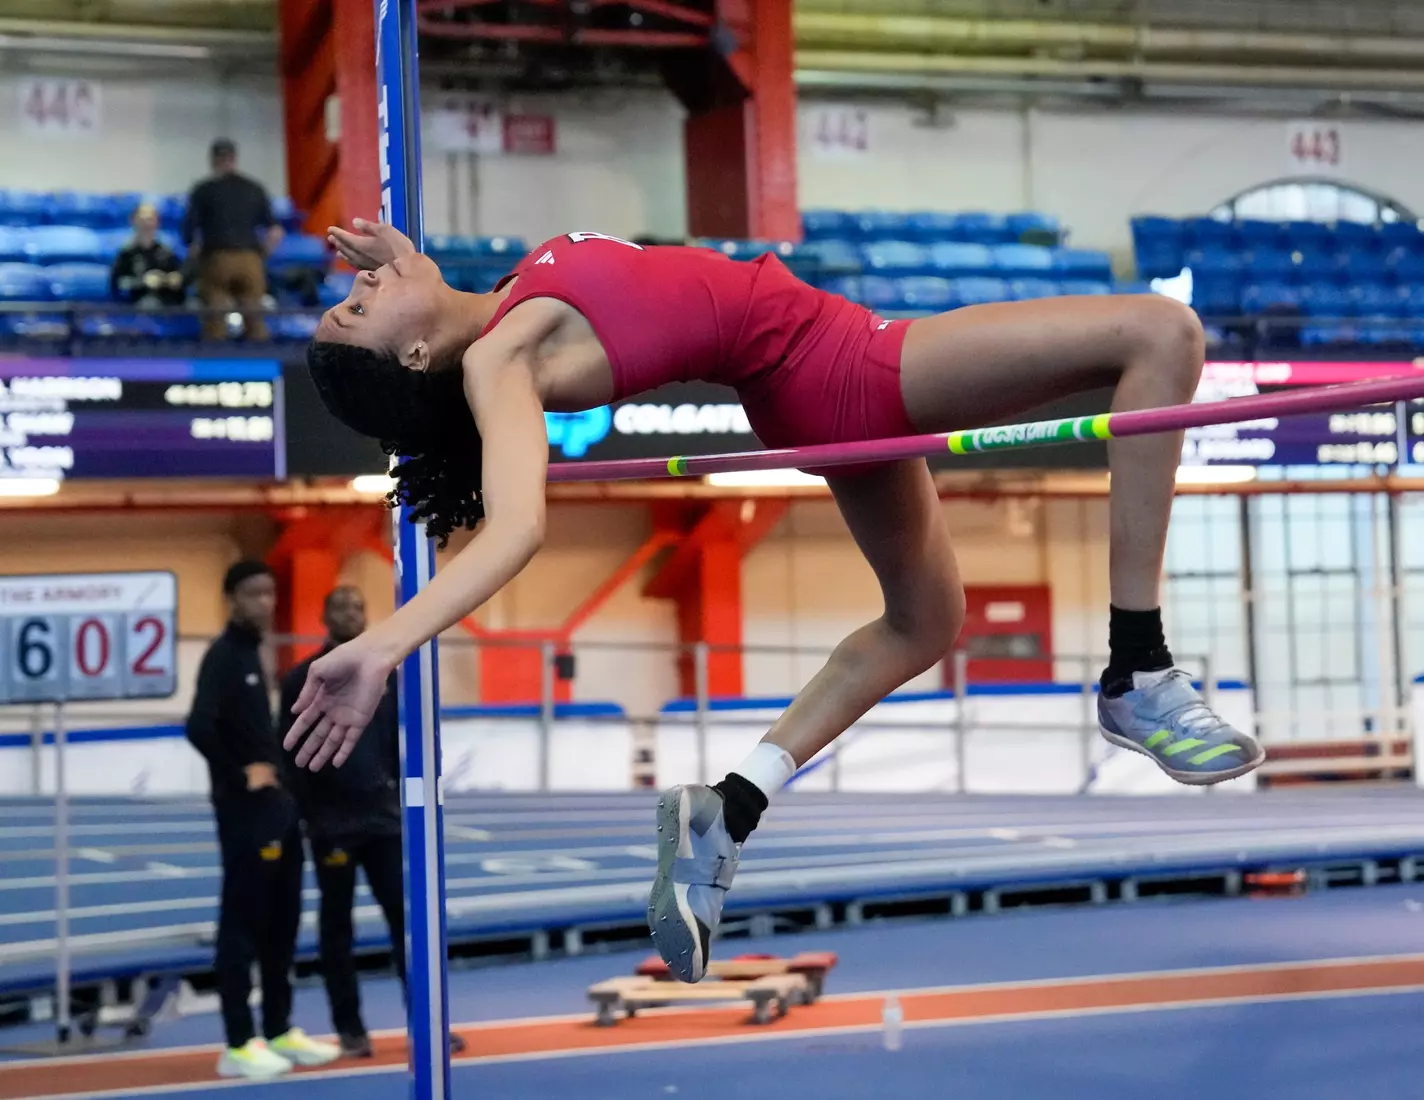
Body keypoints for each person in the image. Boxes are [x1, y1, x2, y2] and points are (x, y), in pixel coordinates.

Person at [284, 219, 1265, 986]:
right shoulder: (500, 361)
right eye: (356, 312)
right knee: (1158, 331)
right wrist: (384, 644)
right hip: (840, 364)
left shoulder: (496, 309)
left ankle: (729, 808)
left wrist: (400, 259)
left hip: (808, 378)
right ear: (414, 360)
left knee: (923, 621)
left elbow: (428, 301)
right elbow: (512, 527)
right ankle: (1137, 663)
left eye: (350, 294)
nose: (358, 288)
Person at [279, 586, 465, 1058]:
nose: (348, 613)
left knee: (406, 923)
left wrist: (395, 797)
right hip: (332, 828)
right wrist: (311, 816)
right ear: (323, 614)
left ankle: (426, 1025)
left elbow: (388, 744)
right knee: (337, 929)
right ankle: (350, 1028)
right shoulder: (302, 678)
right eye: (339, 606)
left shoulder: (384, 678)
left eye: (357, 606)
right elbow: (289, 755)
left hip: (381, 822)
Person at [185, 560, 339, 1077]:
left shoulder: (255, 654)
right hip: (244, 814)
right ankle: (237, 1042)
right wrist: (239, 773)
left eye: (271, 593)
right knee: (243, 926)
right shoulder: (224, 656)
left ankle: (277, 1028)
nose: (266, 604)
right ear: (232, 598)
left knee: (282, 923)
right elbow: (199, 726)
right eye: (254, 594)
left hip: (277, 811)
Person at [183, 138, 283, 342]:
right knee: (254, 317)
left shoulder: (204, 189)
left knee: (216, 319)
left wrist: (194, 252)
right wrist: (263, 253)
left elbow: (188, 233)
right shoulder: (254, 188)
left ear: (213, 160)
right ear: (234, 158)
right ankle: (261, 367)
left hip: (216, 258)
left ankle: (216, 369)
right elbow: (275, 230)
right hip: (250, 258)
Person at [109, 203, 186, 307]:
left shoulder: (166, 252)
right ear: (133, 222)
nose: (147, 224)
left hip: (168, 300)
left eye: (150, 219)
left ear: (157, 222)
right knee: (150, 304)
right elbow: (118, 284)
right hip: (139, 302)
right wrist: (143, 282)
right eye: (142, 220)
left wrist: (175, 279)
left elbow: (180, 275)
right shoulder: (126, 253)